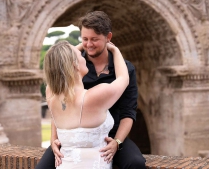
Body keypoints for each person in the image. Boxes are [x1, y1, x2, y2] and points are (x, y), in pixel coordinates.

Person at [37, 11, 146, 169]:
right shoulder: (74, 66)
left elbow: (128, 111)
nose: (88, 45)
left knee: (135, 163)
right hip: (73, 138)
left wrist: (118, 142)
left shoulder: (125, 68)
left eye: (94, 39)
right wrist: (54, 138)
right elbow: (60, 101)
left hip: (111, 134)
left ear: (108, 37)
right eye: (84, 39)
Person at [43, 40, 129, 168]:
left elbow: (58, 65)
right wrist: (114, 50)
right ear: (75, 64)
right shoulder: (96, 95)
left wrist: (78, 48)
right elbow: (124, 78)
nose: (83, 56)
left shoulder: (51, 94)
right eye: (79, 54)